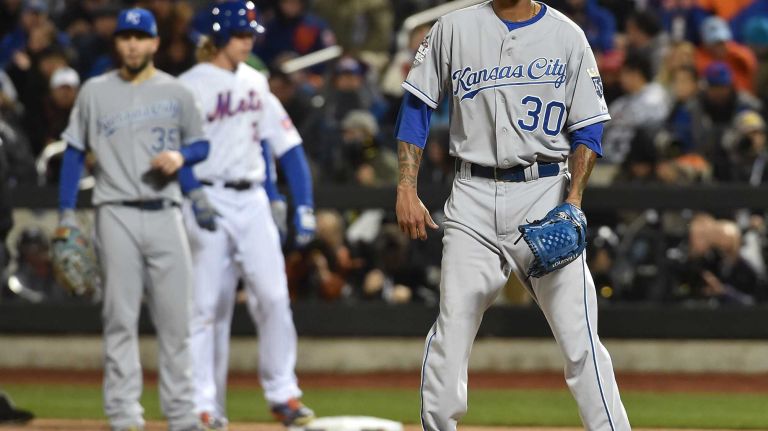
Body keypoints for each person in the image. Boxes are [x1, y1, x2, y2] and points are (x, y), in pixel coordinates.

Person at [394, 1, 631, 430]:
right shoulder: (453, 28)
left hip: (544, 194)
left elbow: (590, 128)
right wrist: (405, 186)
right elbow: (416, 105)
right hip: (472, 195)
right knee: (452, 328)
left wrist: (573, 201)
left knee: (580, 338)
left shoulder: (567, 35)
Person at [57, 8, 214, 431]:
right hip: (115, 212)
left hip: (166, 212)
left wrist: (181, 158)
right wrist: (67, 213)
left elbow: (201, 146)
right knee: (119, 319)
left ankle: (182, 414)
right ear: (117, 42)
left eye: (140, 37)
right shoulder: (94, 91)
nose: (131, 44)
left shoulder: (177, 92)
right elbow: (73, 151)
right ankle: (124, 414)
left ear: (154, 43)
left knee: (177, 322)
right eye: (125, 36)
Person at [177, 1, 316, 428]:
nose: (249, 40)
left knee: (274, 297)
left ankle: (284, 394)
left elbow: (287, 147)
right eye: (240, 34)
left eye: (250, 33)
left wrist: (299, 202)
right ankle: (203, 405)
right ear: (216, 39)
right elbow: (171, 150)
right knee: (205, 308)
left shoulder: (256, 81)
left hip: (252, 197)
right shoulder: (188, 86)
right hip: (207, 197)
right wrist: (189, 190)